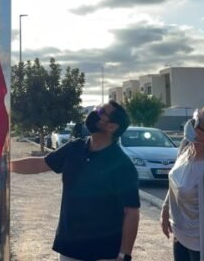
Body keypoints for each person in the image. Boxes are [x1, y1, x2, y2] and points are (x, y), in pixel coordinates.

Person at [11, 101, 140, 261]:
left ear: (112, 127)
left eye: (100, 112)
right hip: (69, 248)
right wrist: (5, 166)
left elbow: (131, 212)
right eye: (96, 108)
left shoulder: (122, 165)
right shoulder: (74, 148)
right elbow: (40, 164)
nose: (94, 112)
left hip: (104, 252)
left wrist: (124, 254)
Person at [160, 107, 204, 261]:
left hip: (200, 244)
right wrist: (165, 210)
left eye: (195, 121)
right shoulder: (186, 147)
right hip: (179, 235)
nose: (189, 123)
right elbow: (174, 182)